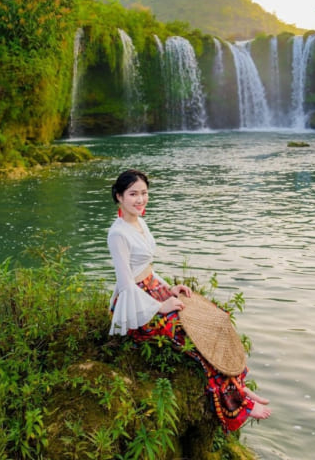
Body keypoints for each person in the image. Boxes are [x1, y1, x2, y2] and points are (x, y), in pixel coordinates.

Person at [106, 169, 271, 431]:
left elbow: (146, 266)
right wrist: (161, 308)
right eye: (133, 194)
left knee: (214, 319)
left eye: (144, 193)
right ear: (119, 197)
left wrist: (169, 288)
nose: (140, 199)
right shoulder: (118, 234)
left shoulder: (139, 221)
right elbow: (127, 284)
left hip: (154, 290)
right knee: (193, 338)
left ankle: (241, 387)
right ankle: (239, 404)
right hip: (138, 306)